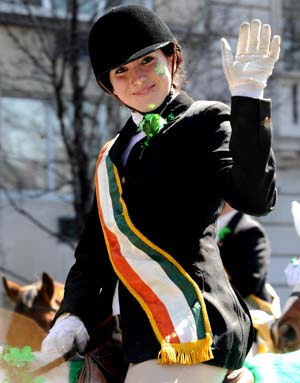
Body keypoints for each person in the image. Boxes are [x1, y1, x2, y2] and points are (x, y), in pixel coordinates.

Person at [41, 4, 281, 383]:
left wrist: (249, 99)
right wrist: (71, 315)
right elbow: (94, 253)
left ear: (172, 58)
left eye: (146, 61)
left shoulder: (205, 120)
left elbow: (255, 198)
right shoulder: (111, 156)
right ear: (109, 85)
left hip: (199, 328)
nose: (137, 78)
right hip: (137, 335)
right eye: (121, 71)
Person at [216, 201, 281, 354]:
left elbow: (251, 280)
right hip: (218, 313)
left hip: (245, 315)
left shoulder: (250, 230)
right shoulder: (208, 227)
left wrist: (214, 292)